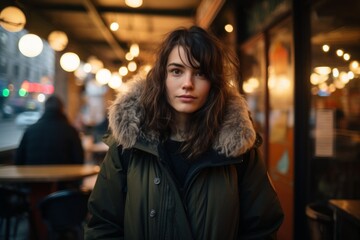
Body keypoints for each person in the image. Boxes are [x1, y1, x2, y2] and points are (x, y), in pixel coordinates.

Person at [85, 26, 284, 239]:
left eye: (200, 73)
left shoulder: (239, 148)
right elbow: (103, 225)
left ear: (214, 83)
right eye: (177, 71)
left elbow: (263, 228)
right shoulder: (130, 142)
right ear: (162, 77)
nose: (188, 84)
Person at [15, 95, 84, 166]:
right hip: (63, 176)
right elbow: (79, 160)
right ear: (62, 110)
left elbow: (18, 160)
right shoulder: (70, 131)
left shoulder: (30, 131)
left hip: (32, 176)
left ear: (45, 109)